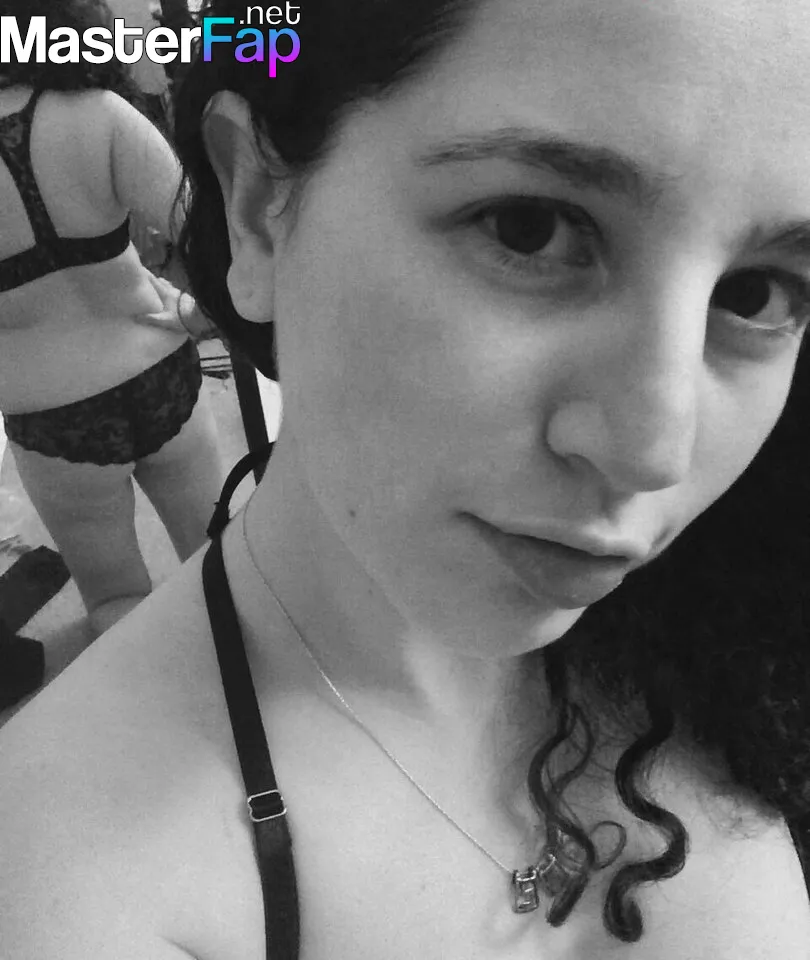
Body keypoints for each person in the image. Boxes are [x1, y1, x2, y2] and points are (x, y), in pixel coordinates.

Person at [1, 0, 810, 956]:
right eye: (531, 228)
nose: (656, 456)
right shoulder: (69, 886)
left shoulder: (733, 613)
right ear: (257, 206)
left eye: (759, 293)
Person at [0, 0, 223, 635]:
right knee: (219, 556)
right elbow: (213, 236)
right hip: (157, 369)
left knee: (114, 599)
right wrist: (201, 315)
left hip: (50, 411)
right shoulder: (98, 114)